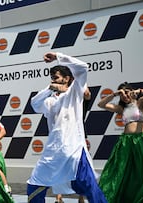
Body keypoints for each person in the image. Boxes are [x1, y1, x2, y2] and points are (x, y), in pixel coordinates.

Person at [27, 52, 107, 203]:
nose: (53, 80)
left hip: (73, 150)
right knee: (34, 184)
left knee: (89, 187)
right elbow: (34, 104)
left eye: (56, 77)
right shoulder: (49, 100)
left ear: (67, 78)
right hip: (52, 152)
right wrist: (50, 88)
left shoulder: (75, 91)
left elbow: (82, 67)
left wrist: (58, 56)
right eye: (52, 78)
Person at [97, 82, 143, 202]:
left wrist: (140, 91)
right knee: (122, 171)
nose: (124, 96)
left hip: (141, 141)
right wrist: (114, 94)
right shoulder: (121, 108)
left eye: (126, 92)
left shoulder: (141, 103)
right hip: (125, 142)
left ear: (131, 91)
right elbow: (101, 104)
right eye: (122, 94)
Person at [55, 86, 92, 203]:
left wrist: (79, 79)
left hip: (79, 138)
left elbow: (87, 94)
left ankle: (81, 197)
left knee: (80, 167)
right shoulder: (58, 101)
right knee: (60, 167)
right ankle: (58, 197)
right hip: (62, 138)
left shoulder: (80, 102)